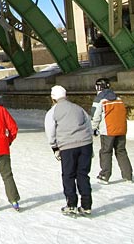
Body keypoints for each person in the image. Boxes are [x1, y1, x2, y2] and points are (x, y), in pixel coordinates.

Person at [44, 85, 94, 216]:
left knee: (68, 175)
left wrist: (54, 146)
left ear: (53, 98)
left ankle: (71, 204)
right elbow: (88, 124)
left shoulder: (53, 111)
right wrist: (89, 144)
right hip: (85, 144)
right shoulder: (78, 108)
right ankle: (86, 205)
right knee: (83, 174)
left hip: (67, 147)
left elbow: (50, 131)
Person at [91, 78, 133, 184]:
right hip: (121, 129)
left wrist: (93, 128)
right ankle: (128, 175)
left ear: (99, 87)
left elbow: (95, 116)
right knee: (121, 151)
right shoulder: (118, 98)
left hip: (108, 130)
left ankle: (104, 175)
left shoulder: (99, 99)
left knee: (106, 152)